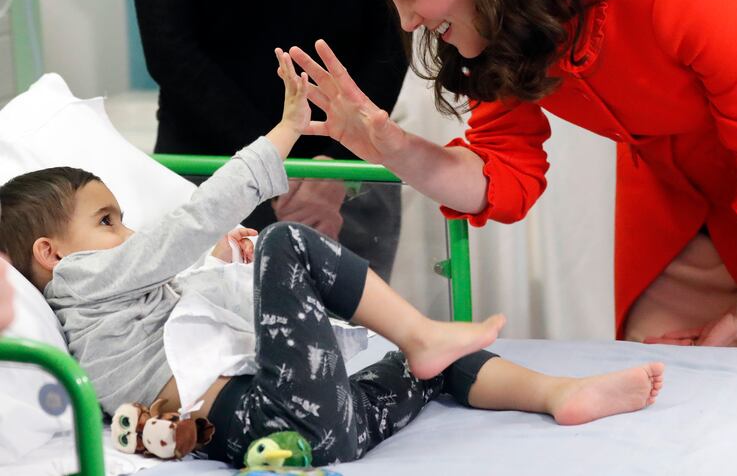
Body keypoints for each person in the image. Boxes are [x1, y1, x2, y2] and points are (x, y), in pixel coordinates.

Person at [0, 51, 663, 467]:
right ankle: (427, 336)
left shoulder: (128, 300)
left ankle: (560, 394)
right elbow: (188, 222)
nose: (129, 231)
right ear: (50, 253)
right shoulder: (82, 282)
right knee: (289, 243)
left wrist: (230, 269)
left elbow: (207, 317)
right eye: (110, 220)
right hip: (265, 414)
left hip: (320, 429)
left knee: (423, 370)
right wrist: (282, 135)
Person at [284, 0, 737, 348]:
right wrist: (394, 150)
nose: (408, 21)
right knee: (665, 390)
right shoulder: (502, 14)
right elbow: (502, 175)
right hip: (677, 191)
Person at [127, 0, 409, 279]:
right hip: (213, 170)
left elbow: (396, 23)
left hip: (347, 169)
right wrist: (276, 163)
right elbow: (168, 46)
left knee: (356, 341)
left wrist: (336, 164)